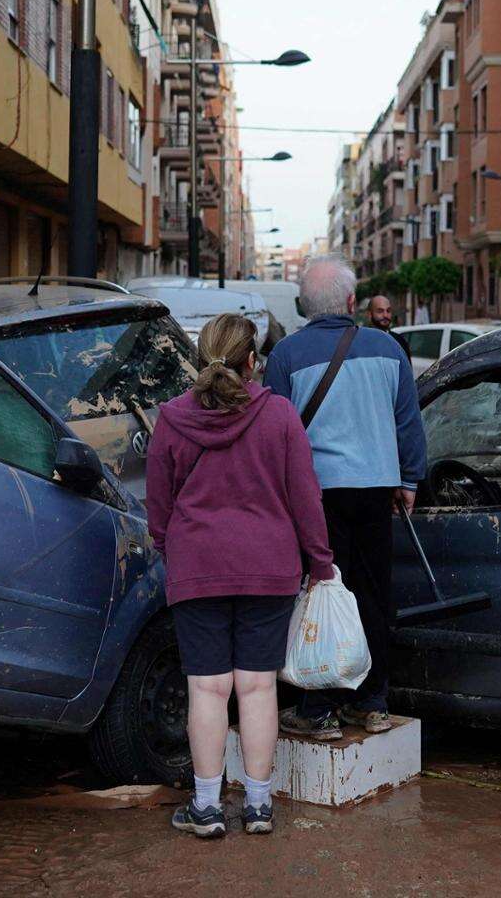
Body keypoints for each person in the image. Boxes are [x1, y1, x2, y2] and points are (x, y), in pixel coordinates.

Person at [147, 313, 337, 839]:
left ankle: (206, 808)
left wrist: (170, 545)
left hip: (197, 566)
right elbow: (306, 498)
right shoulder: (278, 416)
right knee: (257, 689)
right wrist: (320, 563)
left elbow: (157, 503)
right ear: (253, 361)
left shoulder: (171, 419)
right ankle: (258, 806)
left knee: (206, 689)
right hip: (268, 567)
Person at [263, 255, 425, 739]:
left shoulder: (286, 356)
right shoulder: (388, 349)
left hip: (316, 496)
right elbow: (408, 422)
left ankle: (318, 708)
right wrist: (409, 480)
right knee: (373, 595)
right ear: (353, 302)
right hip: (377, 490)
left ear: (303, 306)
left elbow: (275, 433)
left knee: (321, 592)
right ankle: (372, 702)